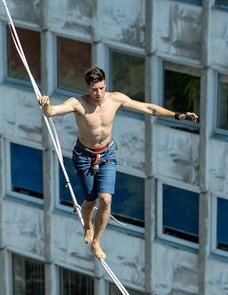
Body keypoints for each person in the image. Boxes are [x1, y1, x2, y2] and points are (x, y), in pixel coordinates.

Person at [38, 67, 198, 260]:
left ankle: (96, 242)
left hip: (107, 154)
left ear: (105, 85)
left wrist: (177, 115)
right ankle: (87, 226)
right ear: (88, 88)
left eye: (101, 88)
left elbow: (149, 108)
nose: (98, 94)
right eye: (94, 89)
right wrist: (46, 105)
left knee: (105, 199)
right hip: (84, 156)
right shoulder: (78, 103)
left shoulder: (115, 99)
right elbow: (53, 112)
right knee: (90, 200)